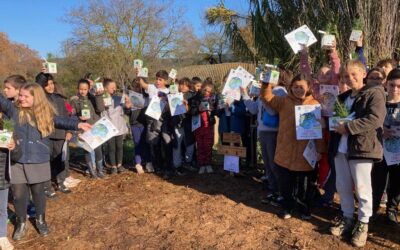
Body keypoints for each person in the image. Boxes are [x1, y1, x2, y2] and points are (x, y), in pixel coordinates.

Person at [0, 83, 90, 240]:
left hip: (38, 158)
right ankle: (21, 222)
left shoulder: (45, 113)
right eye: (20, 95)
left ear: (36, 98)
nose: (20, 98)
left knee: (38, 192)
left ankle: (41, 220)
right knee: (19, 195)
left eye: (25, 96)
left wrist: (78, 124)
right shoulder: (13, 110)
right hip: (17, 159)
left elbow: (61, 120)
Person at [329, 60, 386, 247]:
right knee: (343, 185)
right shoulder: (343, 97)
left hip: (361, 148)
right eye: (346, 75)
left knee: (362, 188)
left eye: (354, 74)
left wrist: (348, 127)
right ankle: (347, 217)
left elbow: (375, 119)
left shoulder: (374, 93)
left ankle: (363, 223)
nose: (350, 78)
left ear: (363, 73)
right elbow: (335, 119)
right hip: (341, 147)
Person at [260, 73, 326, 220]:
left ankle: (304, 208)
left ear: (308, 87)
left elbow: (319, 130)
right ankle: (287, 207)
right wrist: (266, 84)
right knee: (285, 184)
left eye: (301, 87)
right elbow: (267, 98)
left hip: (305, 153)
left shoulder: (314, 104)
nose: (298, 90)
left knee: (305, 185)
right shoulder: (283, 102)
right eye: (295, 87)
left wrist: (320, 150)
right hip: (285, 152)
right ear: (290, 88)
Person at [371, 68, 400, 225]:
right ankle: (373, 209)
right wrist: (381, 128)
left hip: (398, 152)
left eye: (399, 86)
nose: (395, 89)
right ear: (386, 84)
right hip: (379, 150)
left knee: (396, 181)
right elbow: (370, 121)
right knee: (377, 181)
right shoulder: (379, 102)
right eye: (392, 85)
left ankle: (391, 210)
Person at [137, 70, 174, 178]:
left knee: (166, 142)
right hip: (152, 120)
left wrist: (165, 101)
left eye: (160, 79)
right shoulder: (152, 88)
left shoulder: (169, 91)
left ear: (165, 80)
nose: (158, 81)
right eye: (157, 79)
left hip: (164, 120)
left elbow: (171, 106)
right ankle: (159, 167)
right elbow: (142, 84)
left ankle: (168, 168)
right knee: (155, 144)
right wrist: (138, 73)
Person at [70, 79, 106, 178]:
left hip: (95, 127)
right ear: (77, 89)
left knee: (98, 149)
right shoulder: (75, 100)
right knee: (88, 150)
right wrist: (78, 118)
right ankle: (92, 171)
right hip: (84, 128)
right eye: (81, 89)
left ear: (89, 89)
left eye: (85, 89)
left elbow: (100, 109)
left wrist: (99, 96)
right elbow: (71, 114)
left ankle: (100, 170)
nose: (83, 91)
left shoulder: (93, 98)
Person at [99, 78, 129, 174]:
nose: (114, 89)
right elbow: (100, 111)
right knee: (111, 148)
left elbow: (126, 109)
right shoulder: (102, 99)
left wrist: (127, 102)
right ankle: (113, 166)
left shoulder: (118, 98)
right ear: (105, 88)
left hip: (119, 126)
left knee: (119, 146)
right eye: (112, 87)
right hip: (109, 127)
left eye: (115, 87)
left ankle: (119, 165)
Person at [124, 78, 151, 174]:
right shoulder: (130, 97)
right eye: (136, 86)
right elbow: (127, 112)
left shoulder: (147, 96)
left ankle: (148, 161)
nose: (138, 88)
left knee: (146, 143)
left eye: (140, 86)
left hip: (144, 123)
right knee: (137, 142)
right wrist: (127, 108)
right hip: (134, 123)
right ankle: (138, 163)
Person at [189, 82, 216, 174]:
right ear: (202, 89)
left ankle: (208, 164)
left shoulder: (213, 99)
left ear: (211, 92)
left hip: (208, 125)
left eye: (209, 91)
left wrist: (213, 109)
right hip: (198, 126)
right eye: (205, 90)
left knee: (208, 145)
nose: (206, 93)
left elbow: (217, 111)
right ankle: (201, 164)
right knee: (200, 145)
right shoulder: (195, 99)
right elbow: (191, 112)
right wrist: (198, 109)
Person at [170, 78, 196, 174]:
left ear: (189, 86)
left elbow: (194, 110)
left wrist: (187, 108)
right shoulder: (173, 94)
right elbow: (170, 109)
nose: (183, 86)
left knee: (190, 145)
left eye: (185, 85)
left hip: (188, 123)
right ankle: (177, 166)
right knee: (177, 145)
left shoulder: (192, 96)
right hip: (177, 123)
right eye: (181, 84)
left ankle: (188, 162)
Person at [0, 129, 17, 249]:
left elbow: (18, 154)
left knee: (2, 208)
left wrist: (14, 147)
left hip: (2, 175)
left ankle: (2, 236)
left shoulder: (7, 130)